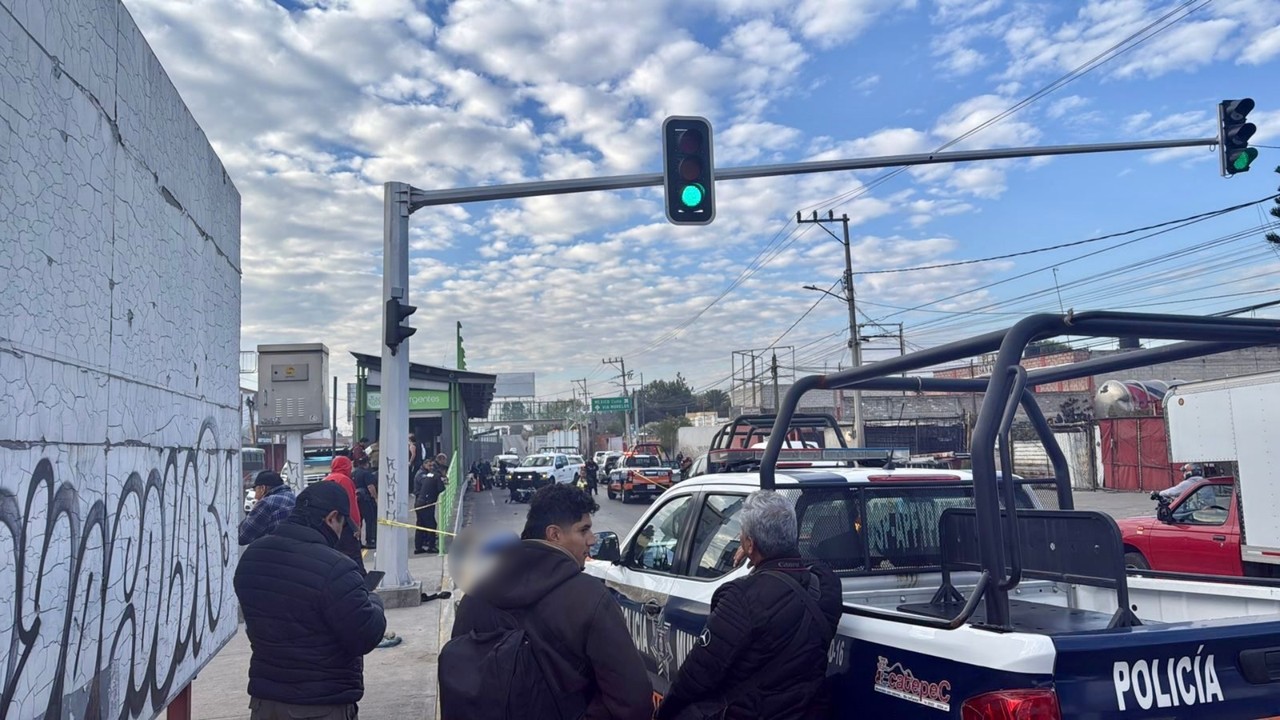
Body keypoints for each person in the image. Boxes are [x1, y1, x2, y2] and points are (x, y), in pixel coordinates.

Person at [445, 484, 652, 719]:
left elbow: (461, 683)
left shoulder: (476, 595)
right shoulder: (590, 598)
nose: (592, 540)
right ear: (554, 534)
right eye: (583, 530)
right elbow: (632, 700)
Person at [655, 490, 841, 720]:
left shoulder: (740, 598)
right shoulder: (825, 586)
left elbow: (698, 675)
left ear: (749, 544)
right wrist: (760, 549)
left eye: (742, 535)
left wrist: (665, 713)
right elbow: (809, 564)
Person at [234, 482, 387, 719]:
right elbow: (364, 636)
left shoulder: (252, 557)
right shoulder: (336, 568)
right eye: (343, 525)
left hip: (265, 703)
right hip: (319, 704)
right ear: (332, 518)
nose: (341, 533)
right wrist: (373, 601)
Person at [323, 456, 365, 569]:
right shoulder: (344, 480)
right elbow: (351, 505)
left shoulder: (326, 480)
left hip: (329, 525)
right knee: (354, 557)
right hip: (345, 524)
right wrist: (357, 526)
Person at [239, 471, 295, 546]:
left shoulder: (267, 503)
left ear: (263, 488)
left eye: (255, 490)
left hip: (273, 552)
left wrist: (254, 509)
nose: (255, 496)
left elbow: (244, 537)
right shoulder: (293, 497)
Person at [414, 460, 443, 554]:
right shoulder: (436, 476)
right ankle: (431, 546)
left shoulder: (428, 476)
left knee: (420, 525)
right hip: (427, 503)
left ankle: (418, 547)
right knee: (432, 525)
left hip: (419, 502)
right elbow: (441, 488)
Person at [353, 457, 377, 549]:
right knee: (370, 520)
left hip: (356, 498)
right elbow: (370, 486)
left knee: (358, 521)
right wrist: (375, 498)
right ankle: (370, 540)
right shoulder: (366, 473)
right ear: (366, 463)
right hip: (365, 499)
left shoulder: (353, 473)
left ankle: (358, 541)